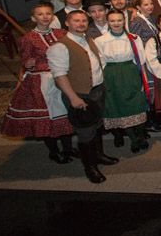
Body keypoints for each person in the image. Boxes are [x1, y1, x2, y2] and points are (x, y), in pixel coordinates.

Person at [48, 10, 119, 183]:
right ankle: (90, 167)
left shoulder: (88, 39)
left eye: (84, 21)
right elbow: (59, 75)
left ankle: (99, 155)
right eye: (76, 21)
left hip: (97, 90)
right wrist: (73, 97)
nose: (81, 24)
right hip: (80, 94)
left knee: (97, 126)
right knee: (85, 132)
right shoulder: (60, 47)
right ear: (67, 23)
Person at [1, 2, 74, 164]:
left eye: (48, 13)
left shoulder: (61, 33)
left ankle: (68, 148)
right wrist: (30, 63)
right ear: (34, 18)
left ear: (53, 16)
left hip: (63, 77)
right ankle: (54, 151)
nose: (45, 17)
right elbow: (26, 61)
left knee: (66, 113)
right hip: (42, 82)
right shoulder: (28, 38)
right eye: (40, 14)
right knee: (48, 116)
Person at [95, 10, 149, 153]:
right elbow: (101, 62)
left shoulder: (134, 38)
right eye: (112, 21)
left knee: (137, 105)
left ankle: (141, 136)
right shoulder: (100, 40)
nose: (116, 23)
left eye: (119, 20)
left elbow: (141, 60)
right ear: (108, 22)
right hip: (112, 75)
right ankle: (133, 139)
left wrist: (143, 79)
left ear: (124, 21)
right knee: (120, 107)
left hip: (131, 73)